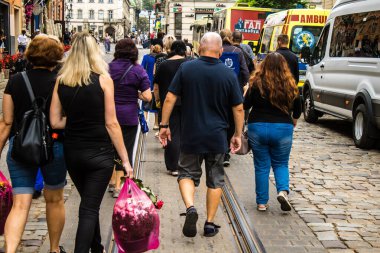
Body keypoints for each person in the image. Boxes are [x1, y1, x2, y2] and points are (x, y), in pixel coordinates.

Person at [50, 32, 133, 253]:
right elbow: (112, 124)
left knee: (90, 203)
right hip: (99, 154)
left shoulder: (61, 81)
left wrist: (75, 118)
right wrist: (125, 160)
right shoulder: (104, 80)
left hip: (73, 153)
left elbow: (55, 121)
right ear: (95, 52)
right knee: (89, 208)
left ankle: (96, 247)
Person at [159, 32, 244, 238]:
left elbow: (170, 97)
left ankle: (190, 208)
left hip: (191, 134)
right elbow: (238, 108)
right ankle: (209, 223)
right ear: (220, 51)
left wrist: (164, 124)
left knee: (186, 173)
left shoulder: (187, 68)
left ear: (199, 48)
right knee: (215, 179)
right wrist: (237, 134)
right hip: (217, 136)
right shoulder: (227, 74)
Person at [0, 34, 67, 253]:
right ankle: (54, 248)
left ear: (30, 54)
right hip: (54, 146)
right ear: (57, 56)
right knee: (55, 199)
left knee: (20, 203)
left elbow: (7, 122)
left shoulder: (16, 80)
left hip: (21, 147)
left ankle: (9, 250)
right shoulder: (62, 80)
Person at [244, 52, 301, 212]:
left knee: (261, 166)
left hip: (258, 126)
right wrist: (294, 120)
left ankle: (262, 202)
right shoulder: (290, 84)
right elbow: (298, 107)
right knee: (281, 163)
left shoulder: (256, 83)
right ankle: (282, 191)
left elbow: (245, 104)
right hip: (282, 127)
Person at [108, 38, 152, 197]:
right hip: (128, 116)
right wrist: (136, 94)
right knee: (124, 149)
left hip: (109, 114)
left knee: (110, 148)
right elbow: (148, 97)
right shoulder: (138, 70)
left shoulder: (107, 68)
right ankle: (119, 187)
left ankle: (112, 181)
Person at [154, 41, 187, 176]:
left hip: (168, 104)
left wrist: (157, 101)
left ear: (171, 50)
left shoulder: (163, 65)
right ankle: (185, 163)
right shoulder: (189, 63)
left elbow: (156, 86)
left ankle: (173, 166)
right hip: (187, 103)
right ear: (185, 50)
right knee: (185, 132)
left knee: (170, 132)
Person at [220, 29, 249, 167]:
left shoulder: (217, 49)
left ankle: (218, 149)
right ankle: (225, 152)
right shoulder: (237, 52)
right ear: (231, 38)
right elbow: (244, 71)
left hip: (219, 91)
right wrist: (243, 84)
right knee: (231, 121)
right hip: (234, 90)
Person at [141, 44, 162, 129]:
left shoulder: (146, 57)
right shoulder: (161, 59)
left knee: (146, 103)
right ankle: (156, 124)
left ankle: (145, 121)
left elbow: (142, 68)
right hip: (157, 83)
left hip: (147, 82)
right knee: (156, 103)